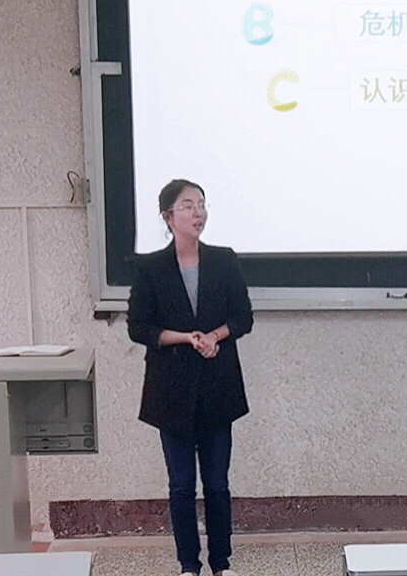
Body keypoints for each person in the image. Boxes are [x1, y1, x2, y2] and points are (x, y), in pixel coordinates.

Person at [128, 179, 254, 576]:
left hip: (217, 387)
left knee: (217, 484)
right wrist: (186, 338)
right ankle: (189, 566)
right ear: (168, 216)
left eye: (201, 204)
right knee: (181, 485)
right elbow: (139, 328)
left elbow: (243, 317)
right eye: (188, 205)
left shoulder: (224, 260)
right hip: (172, 391)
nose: (198, 212)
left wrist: (214, 336)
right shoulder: (151, 268)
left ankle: (221, 564)